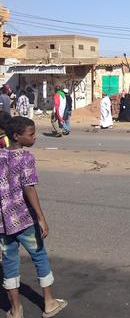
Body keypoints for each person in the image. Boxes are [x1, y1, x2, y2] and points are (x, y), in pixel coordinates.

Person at [1, 117, 68, 318]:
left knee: (9, 262)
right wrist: (41, 217)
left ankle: (15, 310)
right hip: (24, 219)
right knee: (39, 256)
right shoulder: (26, 157)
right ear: (17, 137)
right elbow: (28, 188)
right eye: (31, 134)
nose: (35, 137)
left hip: (3, 223)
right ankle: (49, 302)